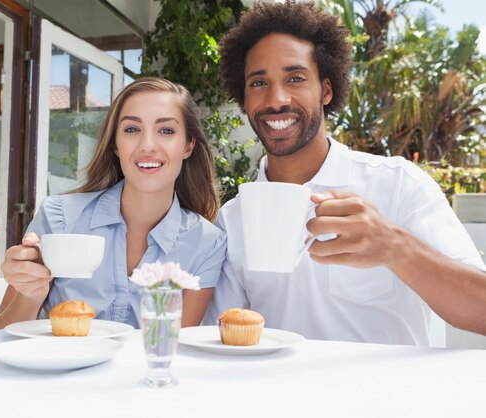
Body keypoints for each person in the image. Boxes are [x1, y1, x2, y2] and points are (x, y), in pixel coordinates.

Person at [205, 1, 486, 345]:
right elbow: (223, 336)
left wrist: (395, 248)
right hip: (280, 397)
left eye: (295, 78)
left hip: (390, 398)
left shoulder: (397, 184)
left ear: (326, 90)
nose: (276, 99)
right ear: (244, 98)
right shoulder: (233, 220)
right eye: (258, 83)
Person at [0, 77, 226, 331]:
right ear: (115, 144)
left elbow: (172, 351)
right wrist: (30, 293)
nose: (147, 146)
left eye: (166, 131)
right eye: (132, 130)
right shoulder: (59, 218)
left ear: (188, 145)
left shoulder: (206, 244)